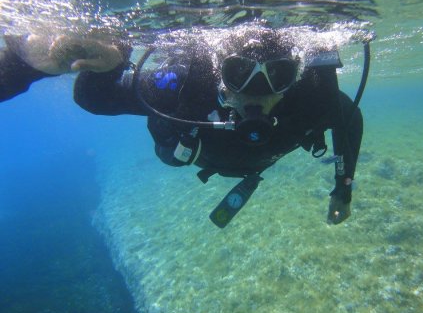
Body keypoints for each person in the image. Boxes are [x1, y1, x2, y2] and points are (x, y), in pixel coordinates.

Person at [0, 28, 363, 228]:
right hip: (181, 148)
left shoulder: (313, 98)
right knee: (168, 151)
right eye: (238, 74)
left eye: (278, 75)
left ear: (296, 76)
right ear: (218, 72)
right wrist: (113, 59)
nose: (256, 93)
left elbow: (351, 121)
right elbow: (96, 100)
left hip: (231, 160)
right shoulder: (187, 87)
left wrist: (342, 190)